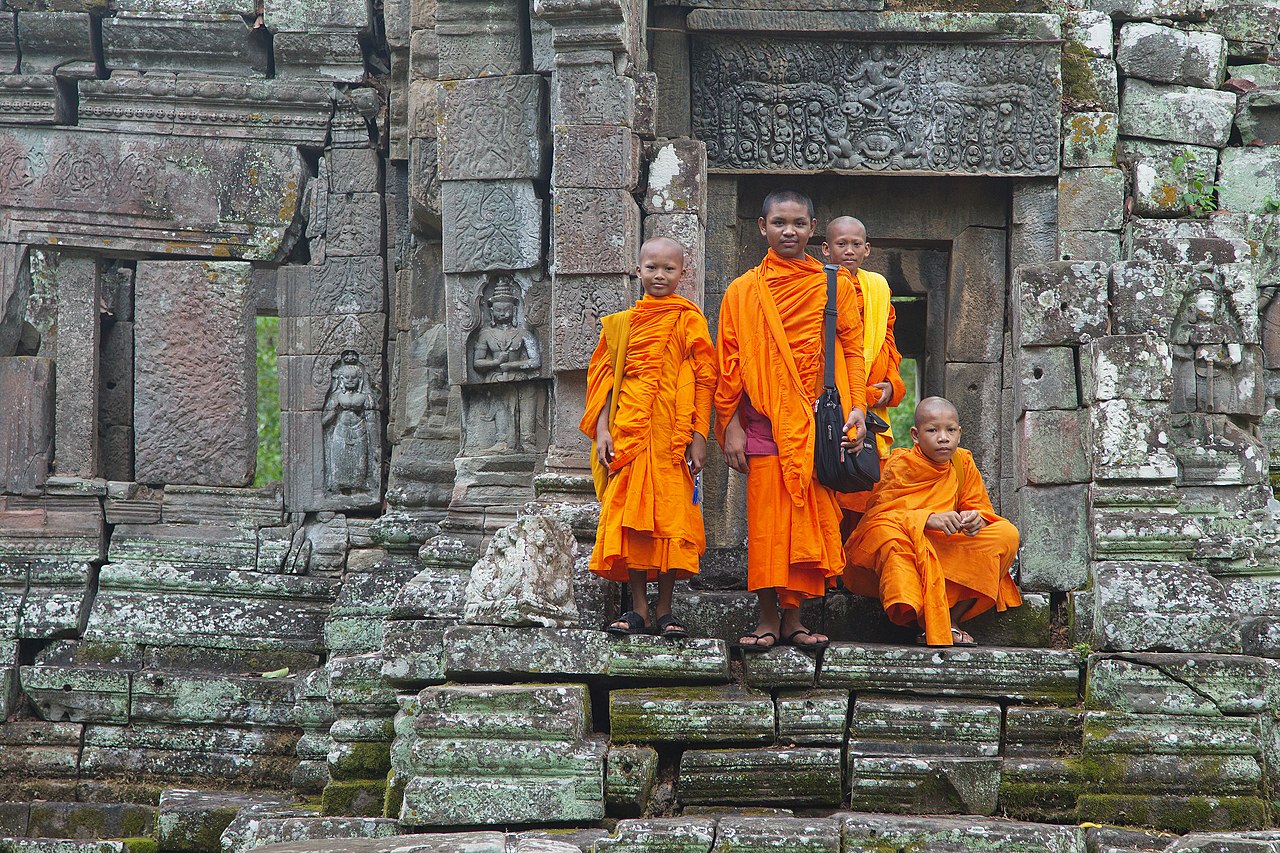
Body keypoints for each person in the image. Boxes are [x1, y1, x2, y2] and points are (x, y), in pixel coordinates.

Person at [716, 190, 868, 652]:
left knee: (806, 518)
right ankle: (766, 616)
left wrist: (858, 405)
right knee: (765, 523)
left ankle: (795, 618)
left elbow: (853, 349)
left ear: (812, 228)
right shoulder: (742, 291)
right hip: (761, 421)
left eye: (799, 223)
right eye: (779, 222)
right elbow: (729, 362)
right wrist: (729, 426)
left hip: (817, 424)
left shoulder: (833, 284)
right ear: (762, 227)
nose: (789, 231)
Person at [581, 236, 718, 638]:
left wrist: (699, 435)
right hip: (629, 438)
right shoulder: (621, 325)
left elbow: (705, 380)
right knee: (632, 523)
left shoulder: (688, 318)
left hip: (672, 441)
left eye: (669, 269)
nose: (660, 276)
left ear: (682, 273)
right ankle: (638, 608)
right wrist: (603, 430)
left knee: (672, 523)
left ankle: (665, 610)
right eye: (651, 268)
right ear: (637, 270)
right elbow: (604, 383)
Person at [844, 396, 1022, 646]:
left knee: (1006, 534)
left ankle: (950, 618)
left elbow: (978, 506)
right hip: (911, 544)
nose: (943, 438)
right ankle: (926, 620)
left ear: (960, 433)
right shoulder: (901, 465)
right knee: (886, 536)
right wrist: (926, 519)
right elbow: (878, 517)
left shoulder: (963, 462)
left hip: (944, 544)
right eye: (932, 430)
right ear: (916, 435)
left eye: (950, 430)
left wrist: (975, 518)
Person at [820, 216, 906, 535]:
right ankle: (829, 571)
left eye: (856, 244)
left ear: (867, 249)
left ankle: (854, 566)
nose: (849, 250)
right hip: (831, 398)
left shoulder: (878, 289)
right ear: (826, 249)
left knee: (863, 481)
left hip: (869, 404)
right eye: (841, 244)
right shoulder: (817, 285)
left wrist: (891, 386)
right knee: (828, 481)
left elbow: (888, 344)